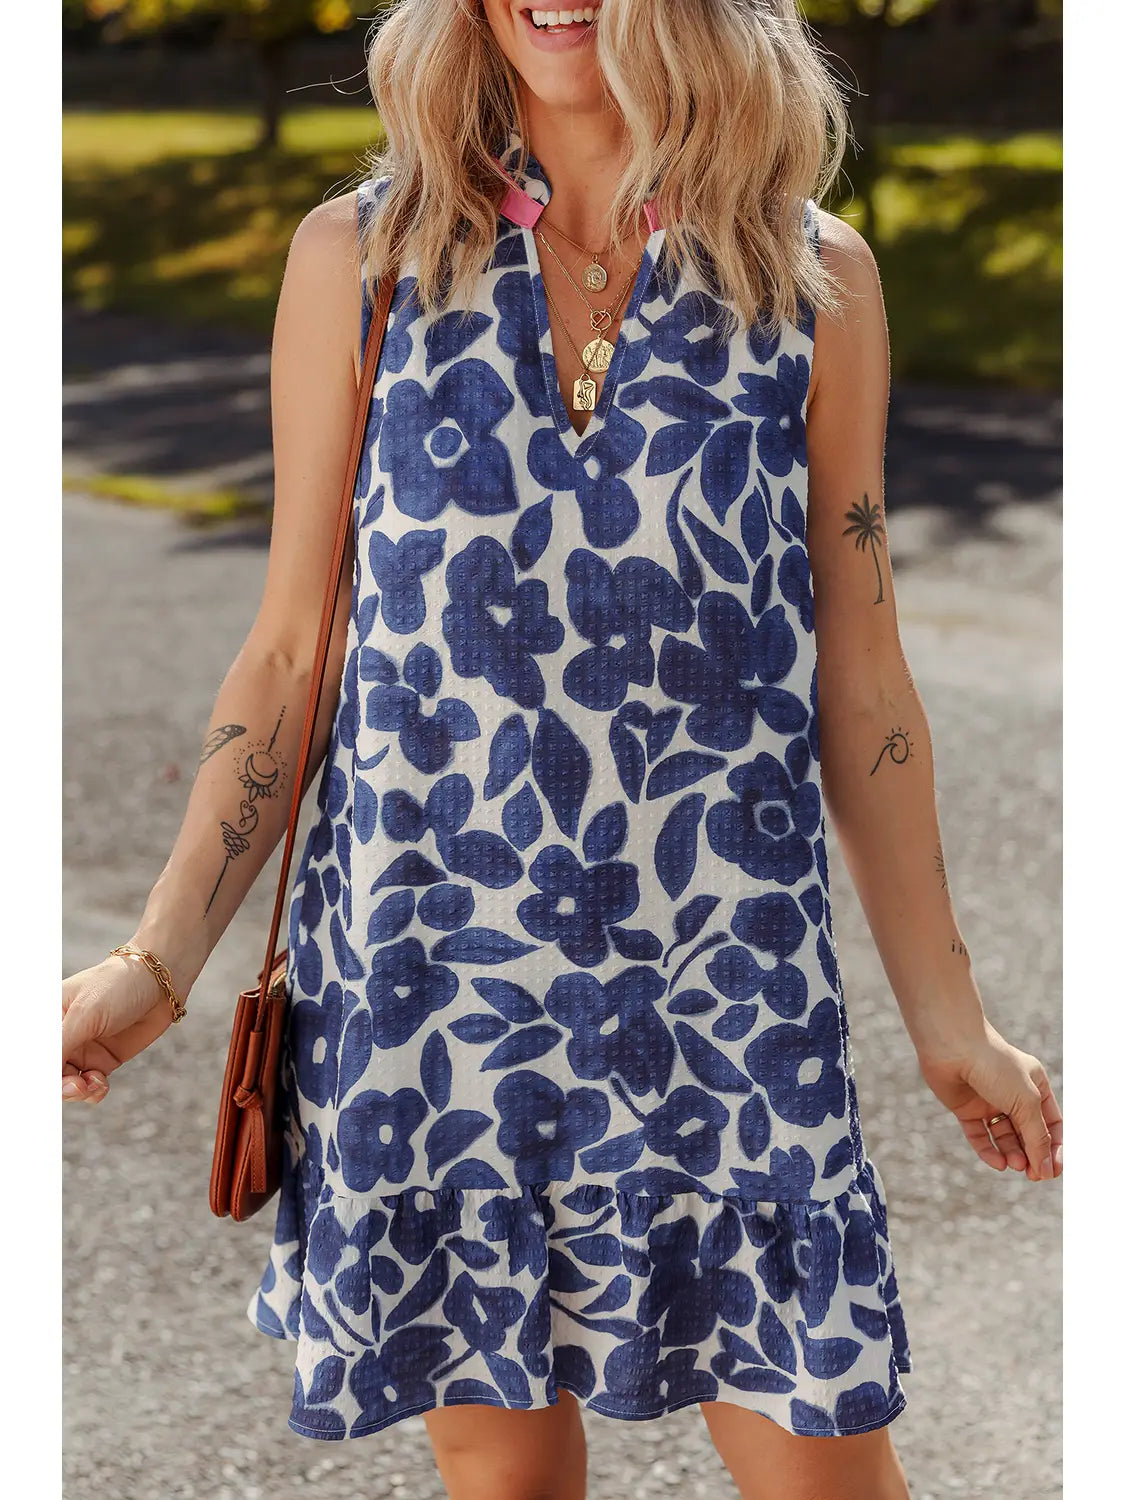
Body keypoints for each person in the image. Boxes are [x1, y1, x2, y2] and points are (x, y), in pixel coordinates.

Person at [61, 3, 1062, 1497]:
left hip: (725, 1002)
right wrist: (157, 959)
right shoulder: (363, 262)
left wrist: (948, 1017)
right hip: (432, 1000)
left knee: (825, 1467)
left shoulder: (808, 279)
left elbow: (862, 683)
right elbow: (290, 655)